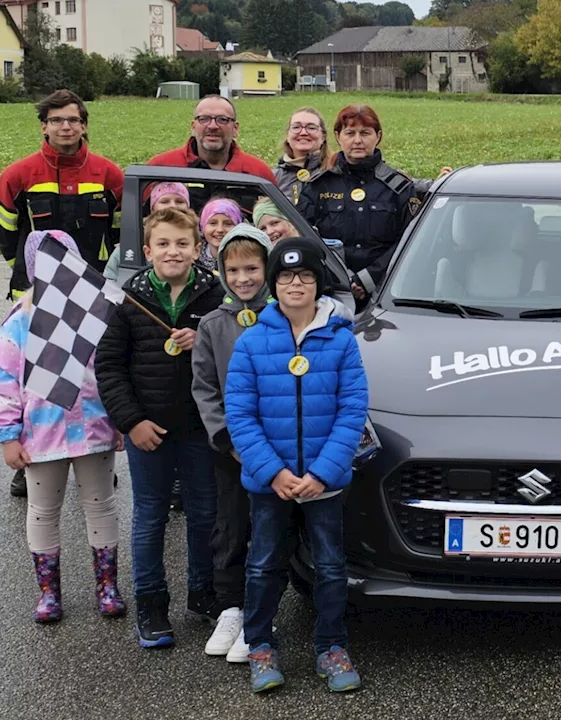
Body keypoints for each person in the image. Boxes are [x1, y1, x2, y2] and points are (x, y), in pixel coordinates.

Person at [224, 237, 369, 694]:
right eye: (285, 276)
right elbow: (240, 416)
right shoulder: (251, 343)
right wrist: (274, 472)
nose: (295, 283)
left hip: (323, 482)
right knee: (264, 564)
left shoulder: (342, 342)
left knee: (329, 566)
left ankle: (331, 646)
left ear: (317, 281)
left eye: (305, 274)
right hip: (272, 483)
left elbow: (353, 410)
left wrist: (323, 471)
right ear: (273, 284)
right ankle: (261, 644)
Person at [95, 207, 222, 648]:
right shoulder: (128, 300)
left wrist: (202, 335)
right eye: (163, 244)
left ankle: (203, 592)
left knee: (206, 514)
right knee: (149, 517)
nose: (173, 251)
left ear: (197, 248)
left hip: (199, 430)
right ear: (148, 251)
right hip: (148, 430)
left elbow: (232, 354)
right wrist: (131, 422)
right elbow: (109, 367)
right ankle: (151, 603)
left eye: (182, 244)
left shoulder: (214, 296)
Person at [0, 230, 126, 623]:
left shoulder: (96, 314)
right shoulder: (20, 321)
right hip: (41, 435)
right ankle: (49, 593)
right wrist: (7, 434)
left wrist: (119, 420)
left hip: (93, 429)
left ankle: (108, 585)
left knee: (101, 505)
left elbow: (111, 371)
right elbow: (2, 381)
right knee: (43, 511)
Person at [0, 89, 124, 497]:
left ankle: (95, 454)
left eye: (73, 119)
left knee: (92, 374)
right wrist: (24, 274)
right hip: (36, 293)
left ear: (84, 125)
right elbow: (4, 227)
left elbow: (120, 231)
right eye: (56, 120)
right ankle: (30, 460)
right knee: (36, 377)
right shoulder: (19, 174)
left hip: (91, 293)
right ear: (44, 126)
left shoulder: (107, 173)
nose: (65, 126)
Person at [191, 223, 273, 663]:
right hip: (233, 450)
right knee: (232, 524)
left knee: (271, 528)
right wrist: (227, 438)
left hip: (277, 447)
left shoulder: (283, 315)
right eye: (234, 270)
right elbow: (204, 386)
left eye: (253, 269)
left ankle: (264, 610)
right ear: (222, 272)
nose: (244, 279)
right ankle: (231, 608)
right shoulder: (212, 325)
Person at [298, 104, 446, 303]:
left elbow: (410, 242)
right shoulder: (318, 186)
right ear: (337, 136)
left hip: (385, 290)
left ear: (378, 136)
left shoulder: (399, 188)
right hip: (327, 289)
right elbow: (304, 235)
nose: (357, 140)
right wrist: (340, 277)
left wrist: (367, 279)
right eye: (350, 133)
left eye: (365, 133)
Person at [148, 95, 275, 208]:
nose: (213, 126)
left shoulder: (258, 173)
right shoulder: (160, 167)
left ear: (235, 128)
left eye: (222, 119)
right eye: (204, 119)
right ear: (193, 126)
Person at [104, 182, 190, 283]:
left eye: (179, 201)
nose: (172, 206)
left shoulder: (198, 240)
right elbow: (109, 282)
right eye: (165, 201)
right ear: (153, 208)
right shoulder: (132, 244)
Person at [275, 107, 334, 203]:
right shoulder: (274, 177)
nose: (303, 133)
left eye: (311, 128)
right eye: (296, 127)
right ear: (287, 136)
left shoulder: (335, 172)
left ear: (323, 137)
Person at [199, 198, 245, 271]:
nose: (220, 229)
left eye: (228, 224)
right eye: (213, 223)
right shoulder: (192, 258)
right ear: (203, 226)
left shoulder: (247, 256)